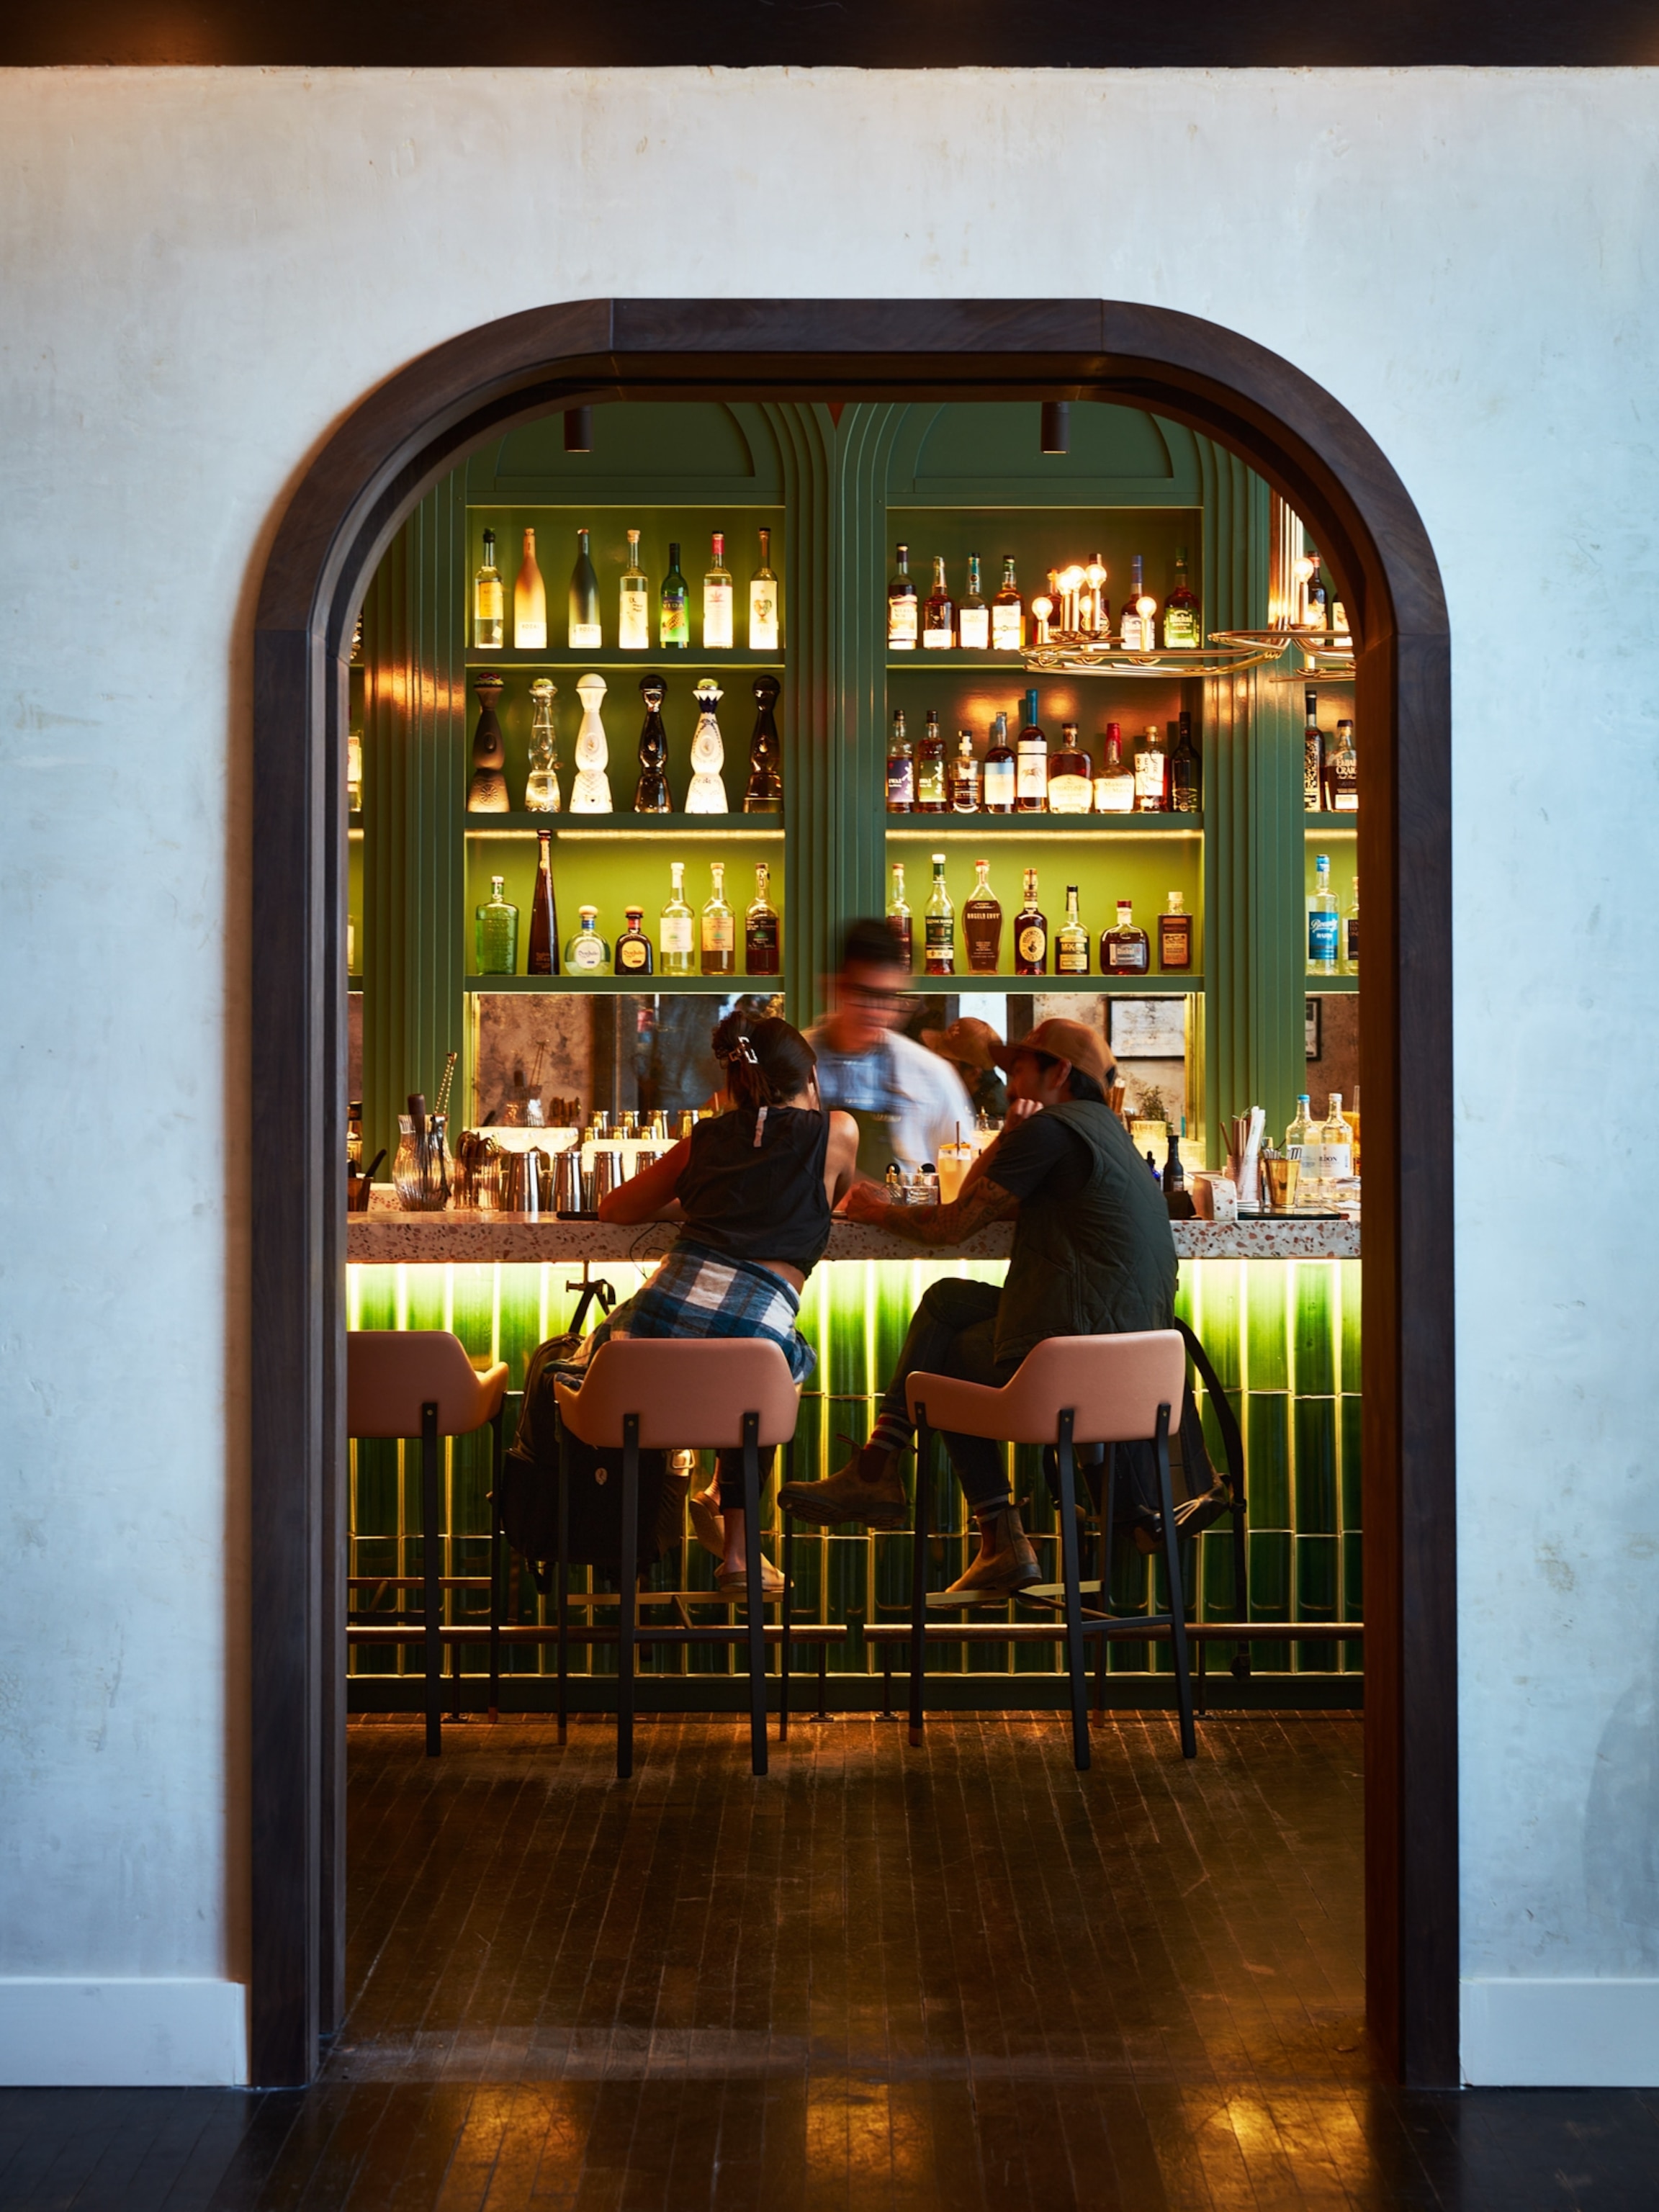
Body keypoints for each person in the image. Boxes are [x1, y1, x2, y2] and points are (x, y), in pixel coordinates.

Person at [778, 1017, 1177, 1601]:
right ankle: (889, 1474)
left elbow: (952, 1225)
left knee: (938, 1366)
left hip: (1077, 1355)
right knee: (947, 1301)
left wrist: (876, 1208)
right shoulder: (1100, 1130)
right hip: (1137, 1360)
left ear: (1059, 1073)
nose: (1007, 1076)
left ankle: (976, 1524)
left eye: (1019, 1065)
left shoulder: (1051, 1132)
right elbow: (1000, 1207)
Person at [593, 1011, 858, 1596]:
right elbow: (825, 1202)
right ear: (809, 1078)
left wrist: (695, 1200)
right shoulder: (835, 1131)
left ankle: (698, 1504)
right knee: (759, 1378)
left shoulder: (705, 1140)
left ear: (735, 1082)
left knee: (740, 1364)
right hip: (751, 1332)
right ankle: (739, 1553)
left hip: (655, 1326)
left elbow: (615, 1209)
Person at [806, 918, 972, 1177]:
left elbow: (964, 1170)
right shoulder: (793, 1065)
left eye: (887, 997)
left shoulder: (932, 1075)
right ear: (836, 987)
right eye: (864, 994)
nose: (876, 1011)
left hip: (895, 1216)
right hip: (809, 1218)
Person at [919, 1013, 1009, 1124]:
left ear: (974, 1073)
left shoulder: (994, 1116)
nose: (935, 1064)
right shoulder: (958, 1095)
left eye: (945, 1060)